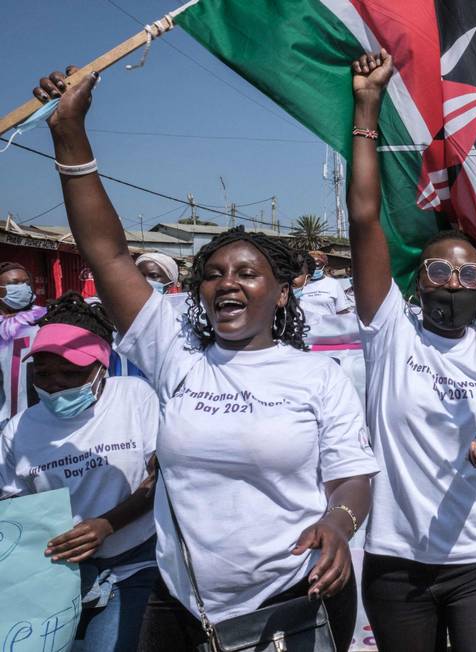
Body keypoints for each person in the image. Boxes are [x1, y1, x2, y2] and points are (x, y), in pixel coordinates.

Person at [36, 66, 378, 651]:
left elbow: (352, 477)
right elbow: (108, 252)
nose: (229, 284)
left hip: (292, 600)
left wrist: (336, 526)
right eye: (214, 274)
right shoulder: (176, 357)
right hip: (182, 604)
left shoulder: (316, 376)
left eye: (248, 273)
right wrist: (70, 132)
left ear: (282, 290)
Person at [347, 51, 476, 652]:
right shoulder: (389, 329)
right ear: (418, 280)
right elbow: (364, 218)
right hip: (395, 562)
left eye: (467, 275)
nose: (452, 283)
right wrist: (366, 110)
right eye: (438, 271)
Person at [0, 293, 158, 651]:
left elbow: (159, 479)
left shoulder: (135, 399)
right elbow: (14, 508)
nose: (54, 383)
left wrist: (107, 524)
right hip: (57, 574)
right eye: (43, 372)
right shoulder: (19, 429)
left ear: (102, 365)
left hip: (134, 562)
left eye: (70, 373)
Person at [0, 261, 46, 423]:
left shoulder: (48, 318)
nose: (23, 288)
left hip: (42, 419)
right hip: (5, 421)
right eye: (14, 284)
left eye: (26, 283)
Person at [295, 250, 352, 318]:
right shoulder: (298, 284)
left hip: (328, 326)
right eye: (311, 265)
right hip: (304, 326)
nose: (314, 268)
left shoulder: (333, 284)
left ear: (324, 265)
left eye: (317, 265)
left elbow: (342, 311)